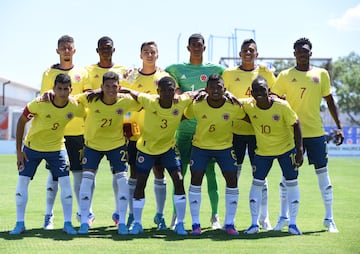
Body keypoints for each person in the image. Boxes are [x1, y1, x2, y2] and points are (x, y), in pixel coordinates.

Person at [271, 37, 344, 233]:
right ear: (294, 54)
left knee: (323, 174)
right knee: (287, 178)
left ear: (311, 53)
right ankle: (283, 218)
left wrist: (339, 126)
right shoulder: (285, 75)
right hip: (290, 134)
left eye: (306, 51)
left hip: (315, 133)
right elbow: (274, 100)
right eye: (299, 51)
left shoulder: (321, 74)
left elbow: (330, 101)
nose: (303, 54)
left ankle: (329, 219)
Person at [10, 73, 84, 235]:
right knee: (22, 183)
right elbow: (22, 121)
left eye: (66, 89)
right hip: (32, 148)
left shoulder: (74, 106)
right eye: (59, 89)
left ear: (71, 90)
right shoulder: (39, 103)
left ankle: (67, 223)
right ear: (54, 89)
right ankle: (20, 223)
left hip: (57, 149)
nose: (62, 93)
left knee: (65, 183)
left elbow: (89, 103)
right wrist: (18, 151)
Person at [165, 33, 225, 229]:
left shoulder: (215, 69)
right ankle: (176, 214)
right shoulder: (175, 68)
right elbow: (160, 76)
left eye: (199, 45)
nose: (196, 48)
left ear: (204, 47)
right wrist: (176, 91)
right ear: (188, 48)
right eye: (193, 45)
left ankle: (215, 216)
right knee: (179, 172)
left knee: (209, 172)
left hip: (207, 130)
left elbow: (234, 77)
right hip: (183, 129)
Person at [123, 76, 194, 235]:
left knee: (179, 179)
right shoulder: (150, 101)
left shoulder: (181, 101)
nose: (168, 93)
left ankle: (180, 224)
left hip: (168, 148)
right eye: (164, 90)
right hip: (147, 149)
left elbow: (195, 93)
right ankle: (137, 223)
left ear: (175, 91)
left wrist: (203, 92)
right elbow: (132, 93)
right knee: (140, 183)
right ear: (158, 91)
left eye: (171, 90)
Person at [77, 71, 141, 235]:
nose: (111, 90)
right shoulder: (91, 99)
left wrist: (129, 91)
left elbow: (144, 102)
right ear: (102, 87)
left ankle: (121, 221)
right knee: (87, 180)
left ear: (119, 87)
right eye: (107, 86)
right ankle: (84, 220)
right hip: (93, 144)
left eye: (114, 86)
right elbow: (73, 99)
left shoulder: (124, 100)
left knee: (122, 180)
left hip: (116, 145)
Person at [222, 38, 276, 230]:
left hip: (257, 133)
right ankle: (229, 220)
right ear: (240, 54)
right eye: (245, 50)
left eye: (251, 50)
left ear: (257, 54)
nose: (248, 53)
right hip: (234, 132)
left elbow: (274, 95)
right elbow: (222, 97)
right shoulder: (229, 73)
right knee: (232, 175)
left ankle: (264, 218)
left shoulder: (264, 72)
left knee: (260, 176)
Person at [40, 35, 93, 230]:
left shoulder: (82, 72)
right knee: (54, 176)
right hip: (55, 133)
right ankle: (49, 215)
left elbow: (87, 98)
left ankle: (83, 214)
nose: (67, 51)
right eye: (63, 48)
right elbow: (46, 97)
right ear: (58, 51)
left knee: (79, 175)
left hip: (78, 132)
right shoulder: (49, 73)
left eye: (69, 48)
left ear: (74, 50)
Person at [185, 74, 245, 236]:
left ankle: (230, 224)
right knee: (196, 180)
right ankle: (196, 224)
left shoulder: (233, 106)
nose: (215, 90)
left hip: (225, 148)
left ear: (225, 89)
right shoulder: (197, 104)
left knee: (232, 180)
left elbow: (248, 115)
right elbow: (183, 114)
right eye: (212, 87)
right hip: (200, 147)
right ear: (206, 89)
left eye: (219, 87)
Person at [242, 76, 303, 235]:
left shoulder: (282, 106)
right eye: (255, 90)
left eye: (262, 89)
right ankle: (254, 224)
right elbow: (231, 100)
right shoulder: (249, 105)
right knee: (256, 184)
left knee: (291, 183)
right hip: (263, 152)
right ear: (252, 93)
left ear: (269, 91)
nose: (259, 93)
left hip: (286, 150)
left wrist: (300, 150)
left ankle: (293, 224)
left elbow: (296, 124)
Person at [121, 41, 172, 230]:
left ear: (157, 55)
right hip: (135, 135)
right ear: (140, 55)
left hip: (158, 136)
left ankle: (160, 215)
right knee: (135, 174)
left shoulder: (164, 76)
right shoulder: (131, 76)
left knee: (159, 172)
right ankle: (132, 215)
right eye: (146, 52)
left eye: (152, 52)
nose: (149, 55)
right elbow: (123, 100)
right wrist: (125, 123)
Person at [85, 36, 129, 226]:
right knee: (86, 177)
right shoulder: (88, 71)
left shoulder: (124, 70)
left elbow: (133, 94)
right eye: (102, 48)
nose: (106, 51)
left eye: (108, 48)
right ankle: (86, 215)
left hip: (117, 135)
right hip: (93, 135)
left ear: (114, 49)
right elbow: (82, 97)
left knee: (120, 177)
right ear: (97, 50)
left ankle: (120, 215)